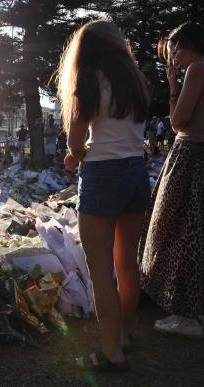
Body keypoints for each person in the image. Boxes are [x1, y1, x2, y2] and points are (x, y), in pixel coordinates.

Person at [57, 20, 151, 371]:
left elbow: (76, 142)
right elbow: (123, 133)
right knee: (127, 262)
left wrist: (76, 153)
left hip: (102, 176)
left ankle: (111, 353)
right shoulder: (136, 80)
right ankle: (124, 334)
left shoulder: (88, 79)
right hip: (135, 173)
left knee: (100, 271)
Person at [139, 23, 204, 339]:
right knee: (184, 229)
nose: (173, 55)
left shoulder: (199, 68)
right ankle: (184, 309)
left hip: (191, 155)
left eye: (176, 48)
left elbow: (177, 121)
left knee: (180, 230)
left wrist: (173, 87)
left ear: (191, 45)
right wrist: (174, 85)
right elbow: (178, 125)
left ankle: (187, 314)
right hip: (194, 152)